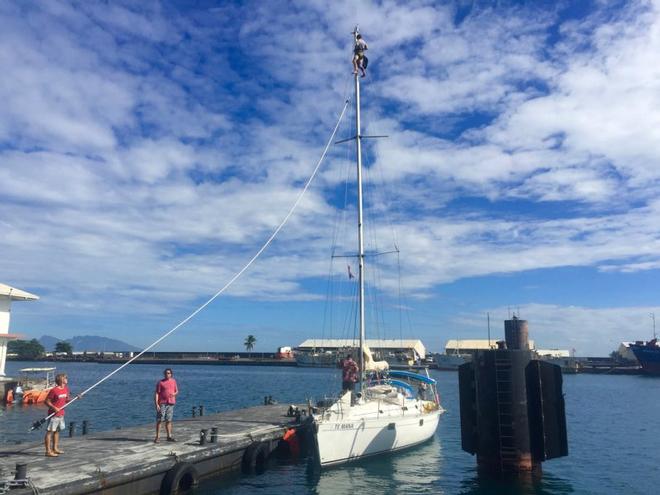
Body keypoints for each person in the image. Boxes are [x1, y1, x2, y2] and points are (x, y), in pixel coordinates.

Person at [44, 373, 76, 457]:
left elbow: (67, 400)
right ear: (61, 379)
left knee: (57, 431)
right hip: (53, 415)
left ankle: (55, 448)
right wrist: (54, 408)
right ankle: (48, 451)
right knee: (50, 432)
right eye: (65, 378)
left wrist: (76, 398)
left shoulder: (66, 389)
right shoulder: (54, 390)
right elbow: (46, 401)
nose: (67, 379)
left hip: (61, 414)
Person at [154, 368, 178, 443]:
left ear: (171, 374)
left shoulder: (173, 381)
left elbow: (177, 391)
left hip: (171, 403)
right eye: (166, 373)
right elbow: (157, 393)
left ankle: (169, 436)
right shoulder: (160, 382)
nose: (167, 374)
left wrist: (174, 394)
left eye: (168, 373)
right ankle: (157, 437)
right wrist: (156, 404)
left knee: (169, 420)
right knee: (160, 420)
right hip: (162, 403)